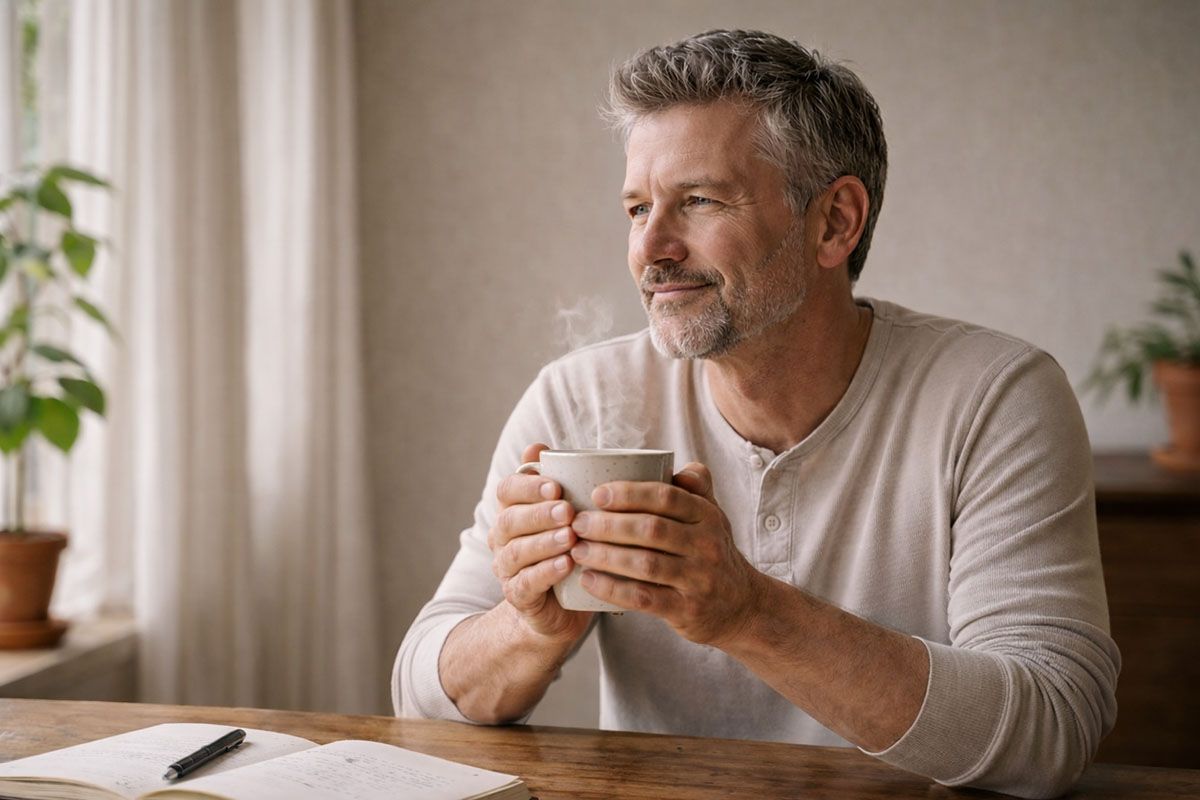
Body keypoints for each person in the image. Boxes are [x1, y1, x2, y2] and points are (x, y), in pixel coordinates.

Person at [394, 29, 1118, 800]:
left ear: (835, 221)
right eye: (638, 207)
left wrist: (748, 613)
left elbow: (1053, 728)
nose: (652, 248)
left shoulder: (994, 397)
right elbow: (420, 698)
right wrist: (530, 627)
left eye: (699, 201)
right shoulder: (581, 399)